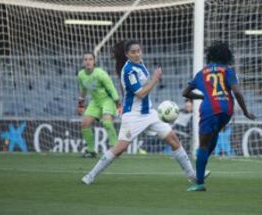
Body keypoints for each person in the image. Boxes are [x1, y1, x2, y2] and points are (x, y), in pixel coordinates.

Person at [81, 40, 205, 185]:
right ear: (127, 55)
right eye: (133, 52)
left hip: (149, 113)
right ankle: (91, 175)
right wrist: (155, 79)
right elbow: (140, 93)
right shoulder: (128, 71)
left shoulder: (140, 64)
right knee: (120, 148)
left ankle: (192, 175)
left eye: (138, 50)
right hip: (133, 115)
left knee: (173, 139)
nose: (137, 54)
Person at [182, 41, 256, 191]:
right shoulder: (228, 71)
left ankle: (199, 182)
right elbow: (237, 92)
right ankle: (201, 168)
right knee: (213, 135)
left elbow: (185, 93)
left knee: (202, 146)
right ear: (227, 56)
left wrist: (201, 98)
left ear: (210, 56)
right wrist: (245, 111)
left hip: (209, 109)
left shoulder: (202, 73)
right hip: (227, 110)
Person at [77, 52, 120, 158]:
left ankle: (115, 148)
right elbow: (83, 90)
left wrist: (118, 104)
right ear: (83, 62)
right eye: (85, 59)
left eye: (90, 59)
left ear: (94, 61)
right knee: (84, 124)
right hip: (95, 101)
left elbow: (111, 89)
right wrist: (81, 104)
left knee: (107, 122)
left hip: (107, 100)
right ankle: (91, 151)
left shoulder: (100, 74)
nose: (88, 61)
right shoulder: (81, 75)